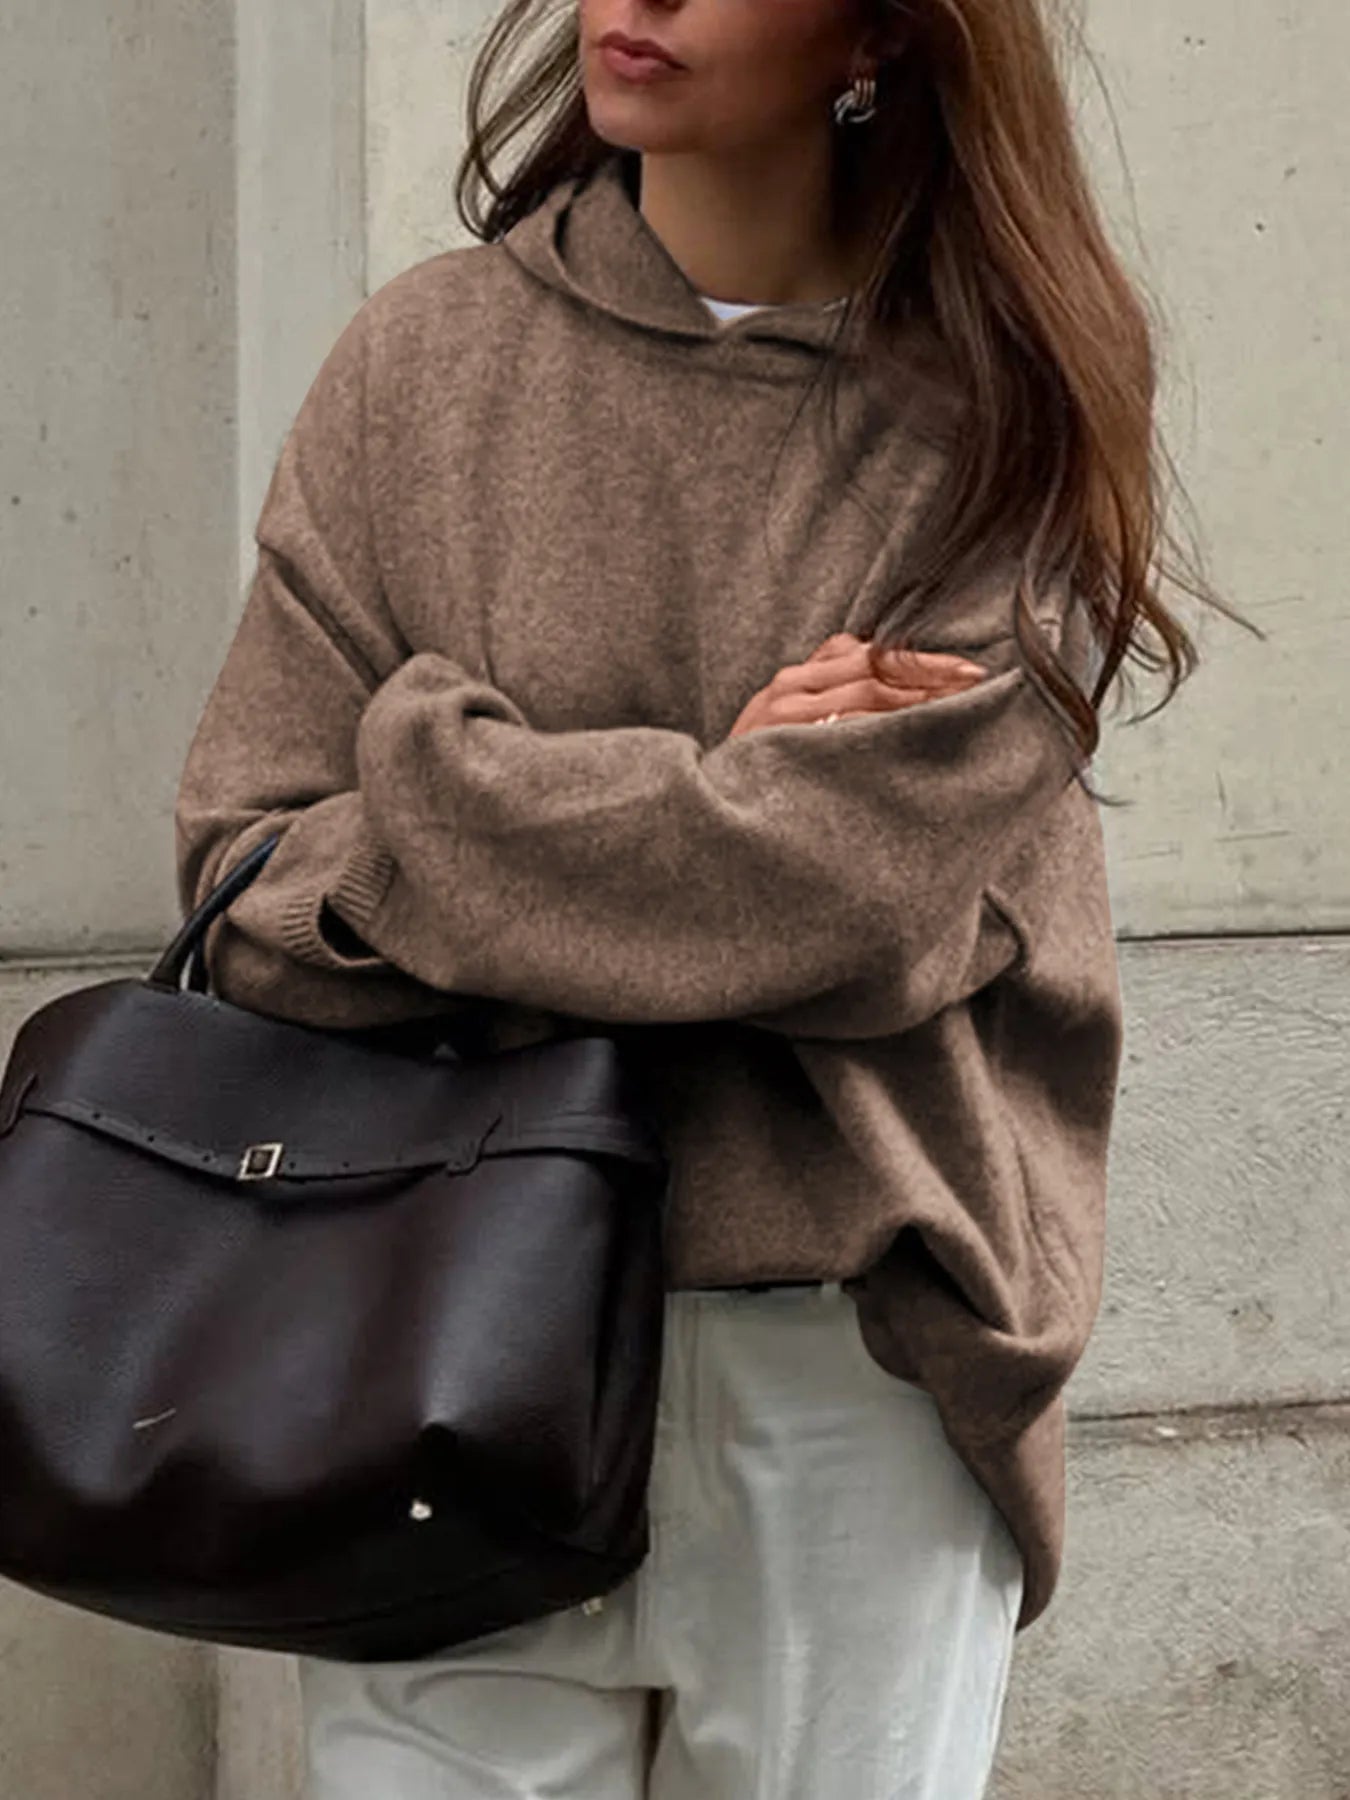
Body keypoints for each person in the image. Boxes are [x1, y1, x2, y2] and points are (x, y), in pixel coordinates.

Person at [174, 0, 1244, 1794]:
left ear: (880, 35)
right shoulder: (422, 367)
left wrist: (434, 785)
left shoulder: (996, 401)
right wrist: (721, 792)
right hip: (427, 1326)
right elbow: (251, 872)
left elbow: (861, 894)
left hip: (846, 1350)